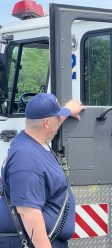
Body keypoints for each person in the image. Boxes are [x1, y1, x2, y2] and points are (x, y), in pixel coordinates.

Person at [0, 93, 85, 248]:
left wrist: (67, 111)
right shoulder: (27, 160)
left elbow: (52, 121)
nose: (60, 119)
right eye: (58, 117)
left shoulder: (30, 138)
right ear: (47, 123)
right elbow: (28, 213)